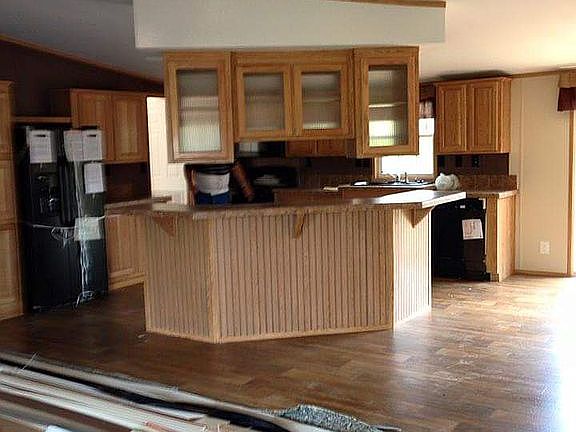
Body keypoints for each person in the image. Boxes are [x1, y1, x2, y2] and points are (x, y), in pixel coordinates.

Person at [185, 161, 255, 205]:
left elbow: (236, 166)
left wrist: (245, 186)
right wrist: (190, 188)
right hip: (202, 196)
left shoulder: (226, 148)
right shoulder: (199, 147)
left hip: (222, 196)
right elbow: (188, 166)